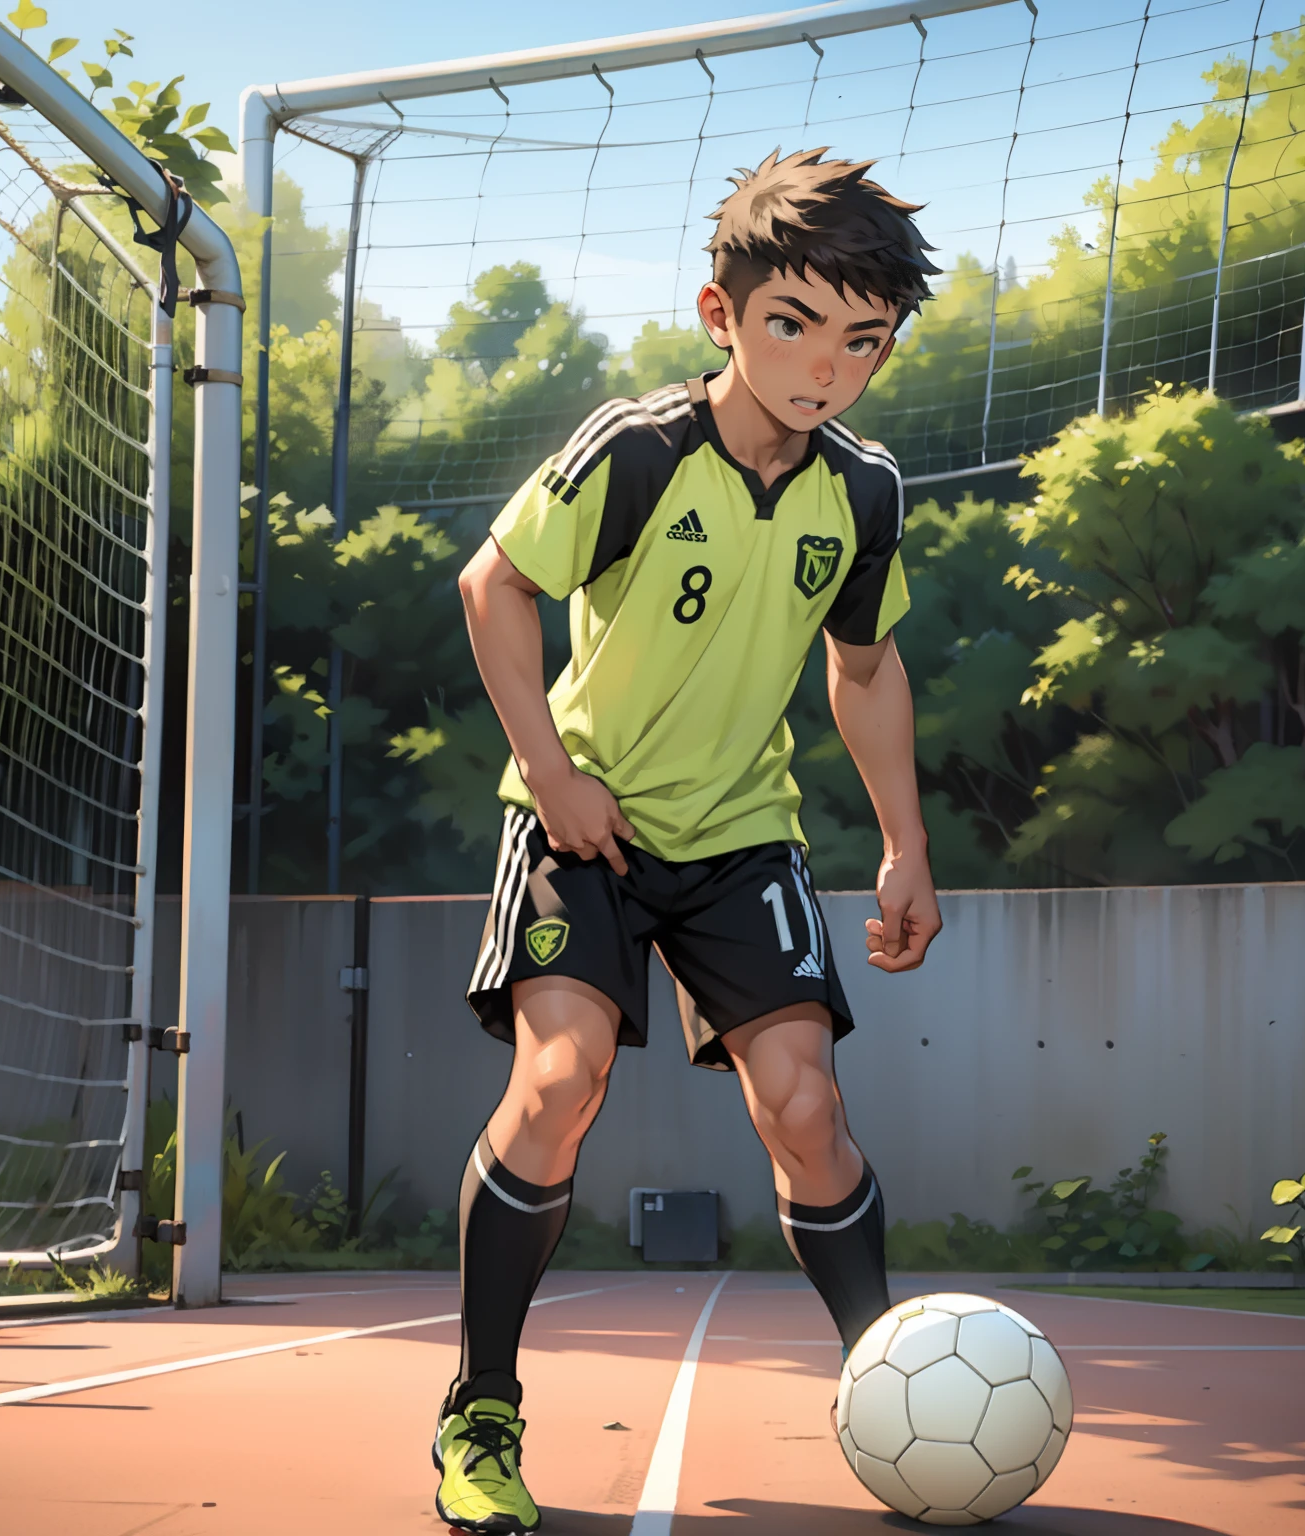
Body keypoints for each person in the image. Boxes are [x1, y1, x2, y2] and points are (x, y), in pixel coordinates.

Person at [434, 147, 944, 1534]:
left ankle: (893, 1392)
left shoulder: (866, 493)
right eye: (793, 325)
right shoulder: (638, 449)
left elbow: (863, 667)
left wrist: (904, 843)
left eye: (863, 341)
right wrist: (550, 776)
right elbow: (494, 586)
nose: (825, 368)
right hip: (582, 820)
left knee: (805, 1106)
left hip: (741, 838)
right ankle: (480, 1412)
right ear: (723, 315)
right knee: (562, 1078)